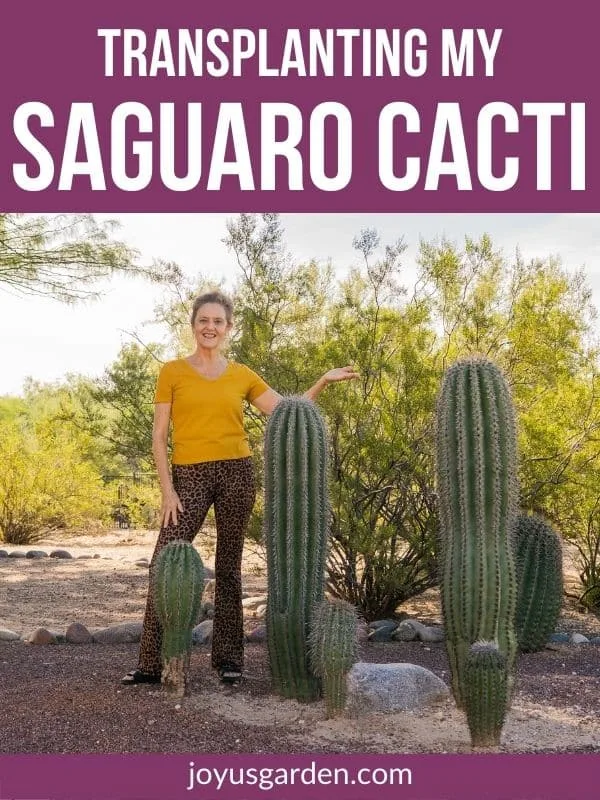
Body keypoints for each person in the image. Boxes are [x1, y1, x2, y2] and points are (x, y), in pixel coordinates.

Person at [122, 290, 359, 685]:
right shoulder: (172, 371)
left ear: (228, 327)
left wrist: (321, 383)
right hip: (189, 475)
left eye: (218, 321)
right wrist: (168, 490)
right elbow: (159, 436)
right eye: (203, 321)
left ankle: (229, 663)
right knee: (166, 560)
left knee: (229, 568)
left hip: (236, 473)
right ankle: (150, 663)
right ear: (193, 325)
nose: (210, 327)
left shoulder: (242, 374)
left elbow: (287, 411)